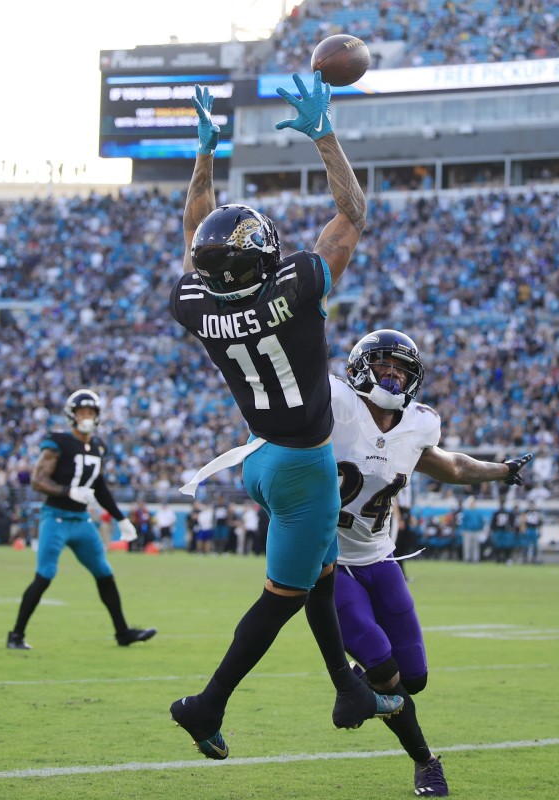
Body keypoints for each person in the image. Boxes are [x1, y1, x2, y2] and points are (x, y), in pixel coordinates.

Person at [168, 75, 403, 760]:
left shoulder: (194, 305)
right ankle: (205, 705)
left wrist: (204, 155)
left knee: (322, 574)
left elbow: (194, 235)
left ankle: (346, 686)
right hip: (303, 468)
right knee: (283, 597)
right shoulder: (297, 287)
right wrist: (325, 135)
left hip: (260, 458)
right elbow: (352, 215)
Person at [330, 329, 533, 797]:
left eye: (403, 370)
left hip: (381, 559)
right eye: (385, 366)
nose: (394, 376)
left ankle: (361, 689)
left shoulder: (417, 425)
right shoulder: (334, 406)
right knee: (385, 668)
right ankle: (427, 763)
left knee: (413, 678)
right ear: (361, 367)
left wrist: (500, 470)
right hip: (331, 562)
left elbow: (454, 468)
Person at [7, 389, 153, 652]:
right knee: (45, 575)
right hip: (56, 518)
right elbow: (37, 480)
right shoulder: (58, 442)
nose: (86, 416)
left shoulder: (97, 446)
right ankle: (15, 635)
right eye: (82, 412)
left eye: (90, 412)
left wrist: (121, 519)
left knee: (105, 573)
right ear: (72, 416)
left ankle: (122, 632)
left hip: (82, 520)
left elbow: (99, 485)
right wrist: (68, 491)